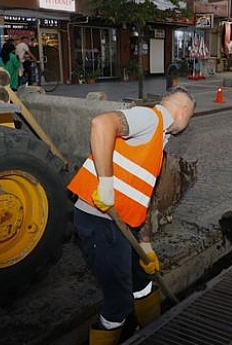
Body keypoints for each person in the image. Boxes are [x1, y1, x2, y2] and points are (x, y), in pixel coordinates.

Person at [67, 86, 196, 345]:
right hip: (100, 221)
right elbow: (101, 123)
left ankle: (153, 330)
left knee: (142, 281)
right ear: (183, 110)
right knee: (119, 303)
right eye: (190, 117)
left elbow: (143, 196)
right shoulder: (150, 119)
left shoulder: (158, 141)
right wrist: (105, 182)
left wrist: (145, 242)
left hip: (124, 225)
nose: (188, 123)